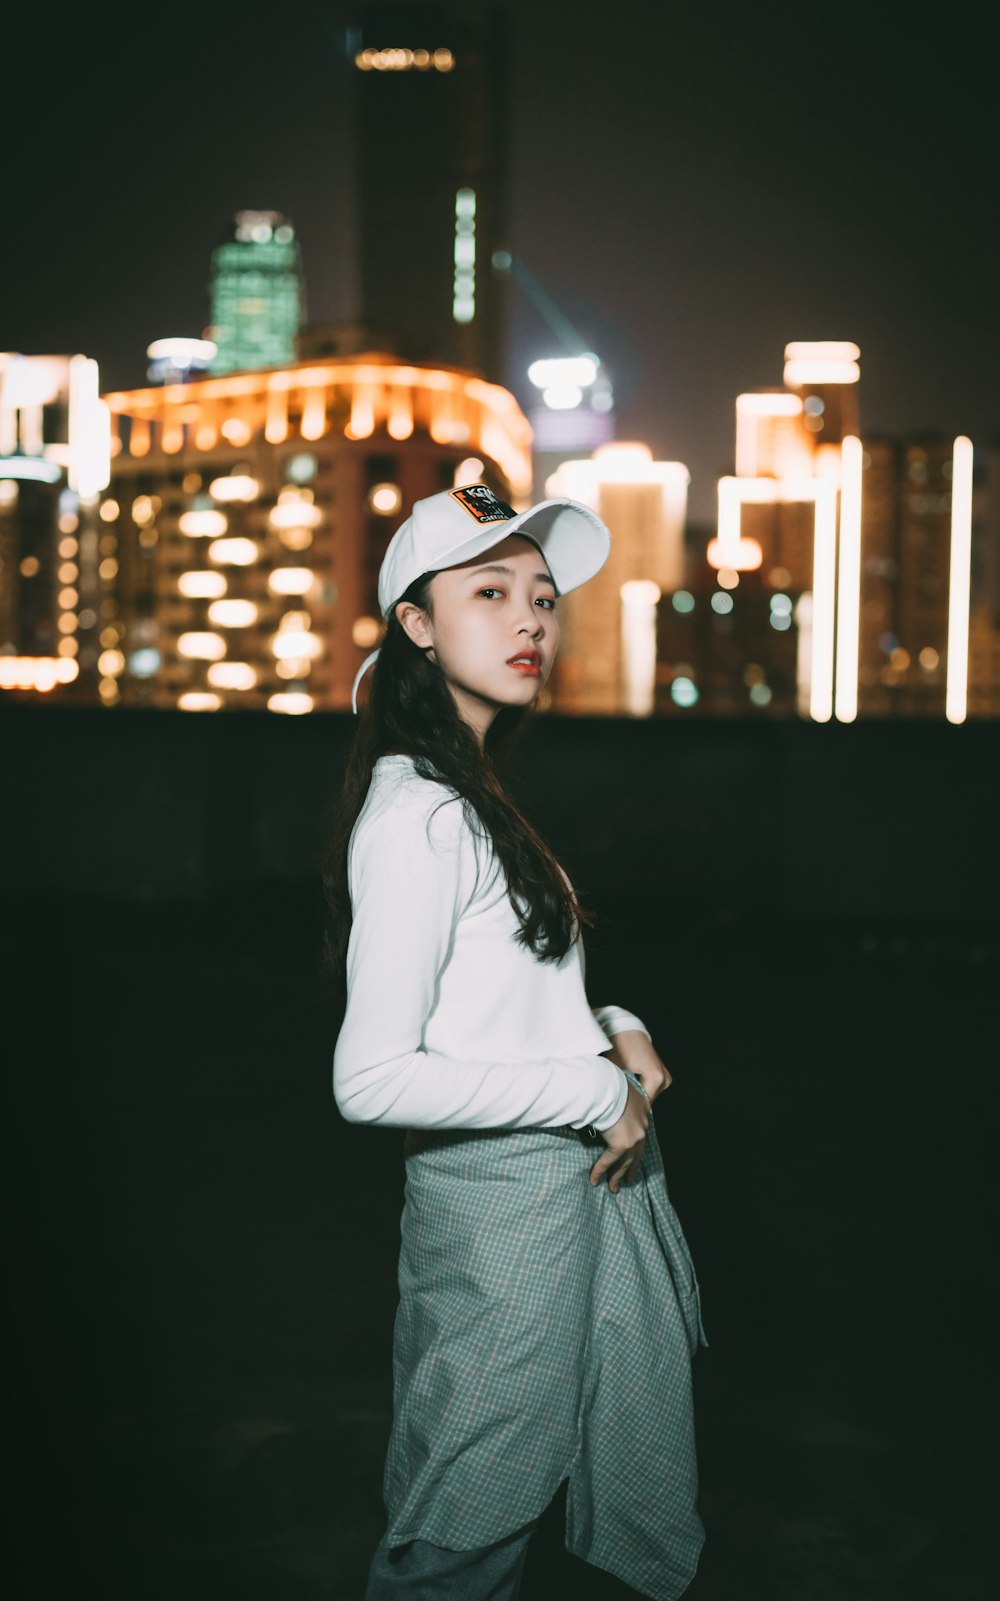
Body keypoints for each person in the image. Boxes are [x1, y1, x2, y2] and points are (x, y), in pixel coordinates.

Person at [322, 483, 709, 1601]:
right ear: (415, 623)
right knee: (465, 1516)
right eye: (488, 591)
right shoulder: (421, 813)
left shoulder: (469, 791)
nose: (530, 617)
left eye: (540, 595)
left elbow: (497, 990)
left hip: (553, 1185)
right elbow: (372, 1075)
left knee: (513, 1493)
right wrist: (586, 1091)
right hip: (503, 1206)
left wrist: (614, 1028)